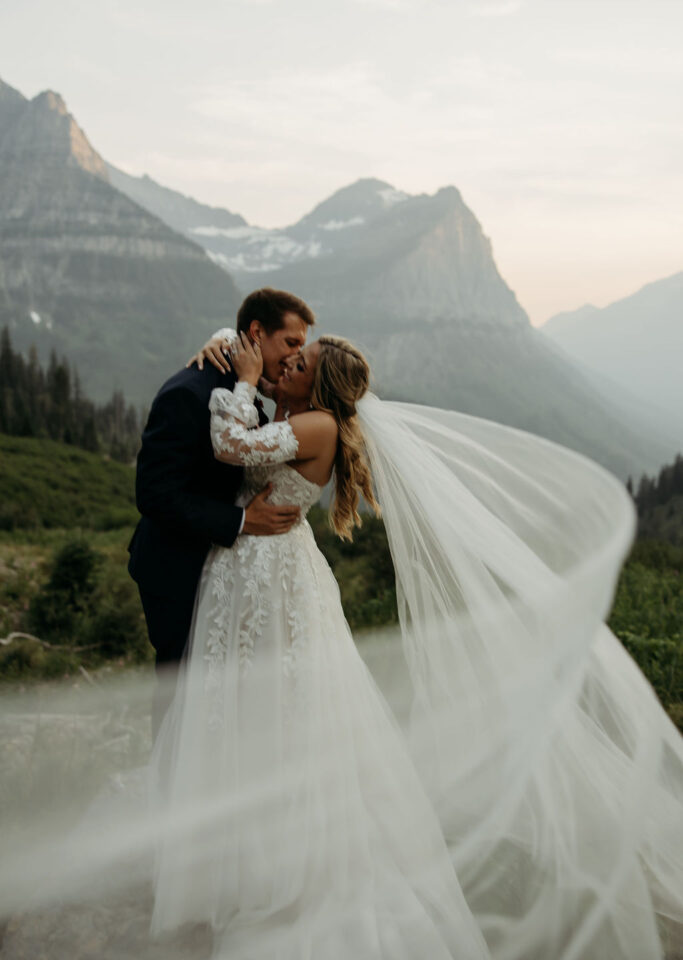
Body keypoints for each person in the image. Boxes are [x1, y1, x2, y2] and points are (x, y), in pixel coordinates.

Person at [148, 326, 683, 960]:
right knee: (239, 707)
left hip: (276, 578)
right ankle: (234, 852)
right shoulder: (295, 412)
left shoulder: (316, 424)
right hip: (244, 570)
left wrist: (239, 380)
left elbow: (232, 444)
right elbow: (251, 404)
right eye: (294, 351)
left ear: (320, 384)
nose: (291, 360)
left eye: (303, 359)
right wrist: (223, 345)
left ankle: (282, 861)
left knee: (288, 708)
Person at [127, 287, 315, 736]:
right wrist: (244, 521)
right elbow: (155, 494)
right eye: (290, 343)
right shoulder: (189, 393)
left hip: (227, 570)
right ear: (256, 333)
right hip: (176, 568)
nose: (295, 356)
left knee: (219, 694)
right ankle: (170, 795)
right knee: (180, 693)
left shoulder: (246, 390)